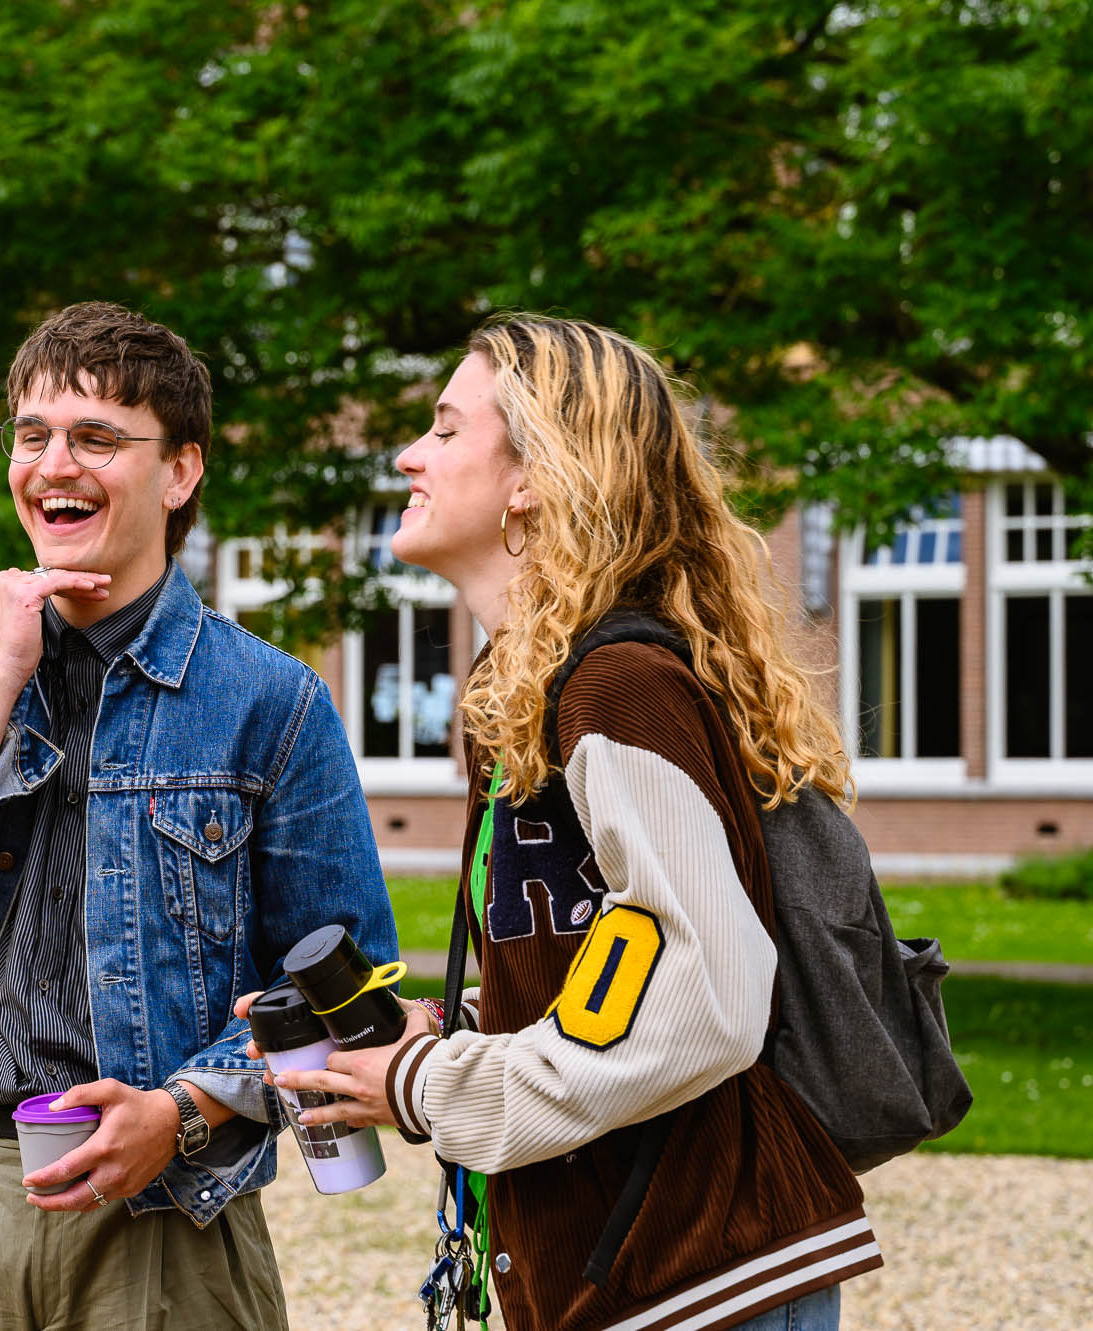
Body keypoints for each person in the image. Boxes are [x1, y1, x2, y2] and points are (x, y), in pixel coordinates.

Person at [250, 315, 883, 1331]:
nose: (407, 453)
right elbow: (604, 970)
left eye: (445, 430)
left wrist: (430, 1083)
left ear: (532, 476)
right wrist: (449, 1034)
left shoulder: (616, 685)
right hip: (626, 1271)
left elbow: (708, 994)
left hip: (692, 1275)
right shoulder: (522, 691)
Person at [0, 301, 398, 1331]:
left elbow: (341, 986)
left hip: (173, 1207)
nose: (54, 464)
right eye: (32, 434)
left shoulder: (270, 702)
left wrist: (184, 1109)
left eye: (95, 437)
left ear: (179, 472)